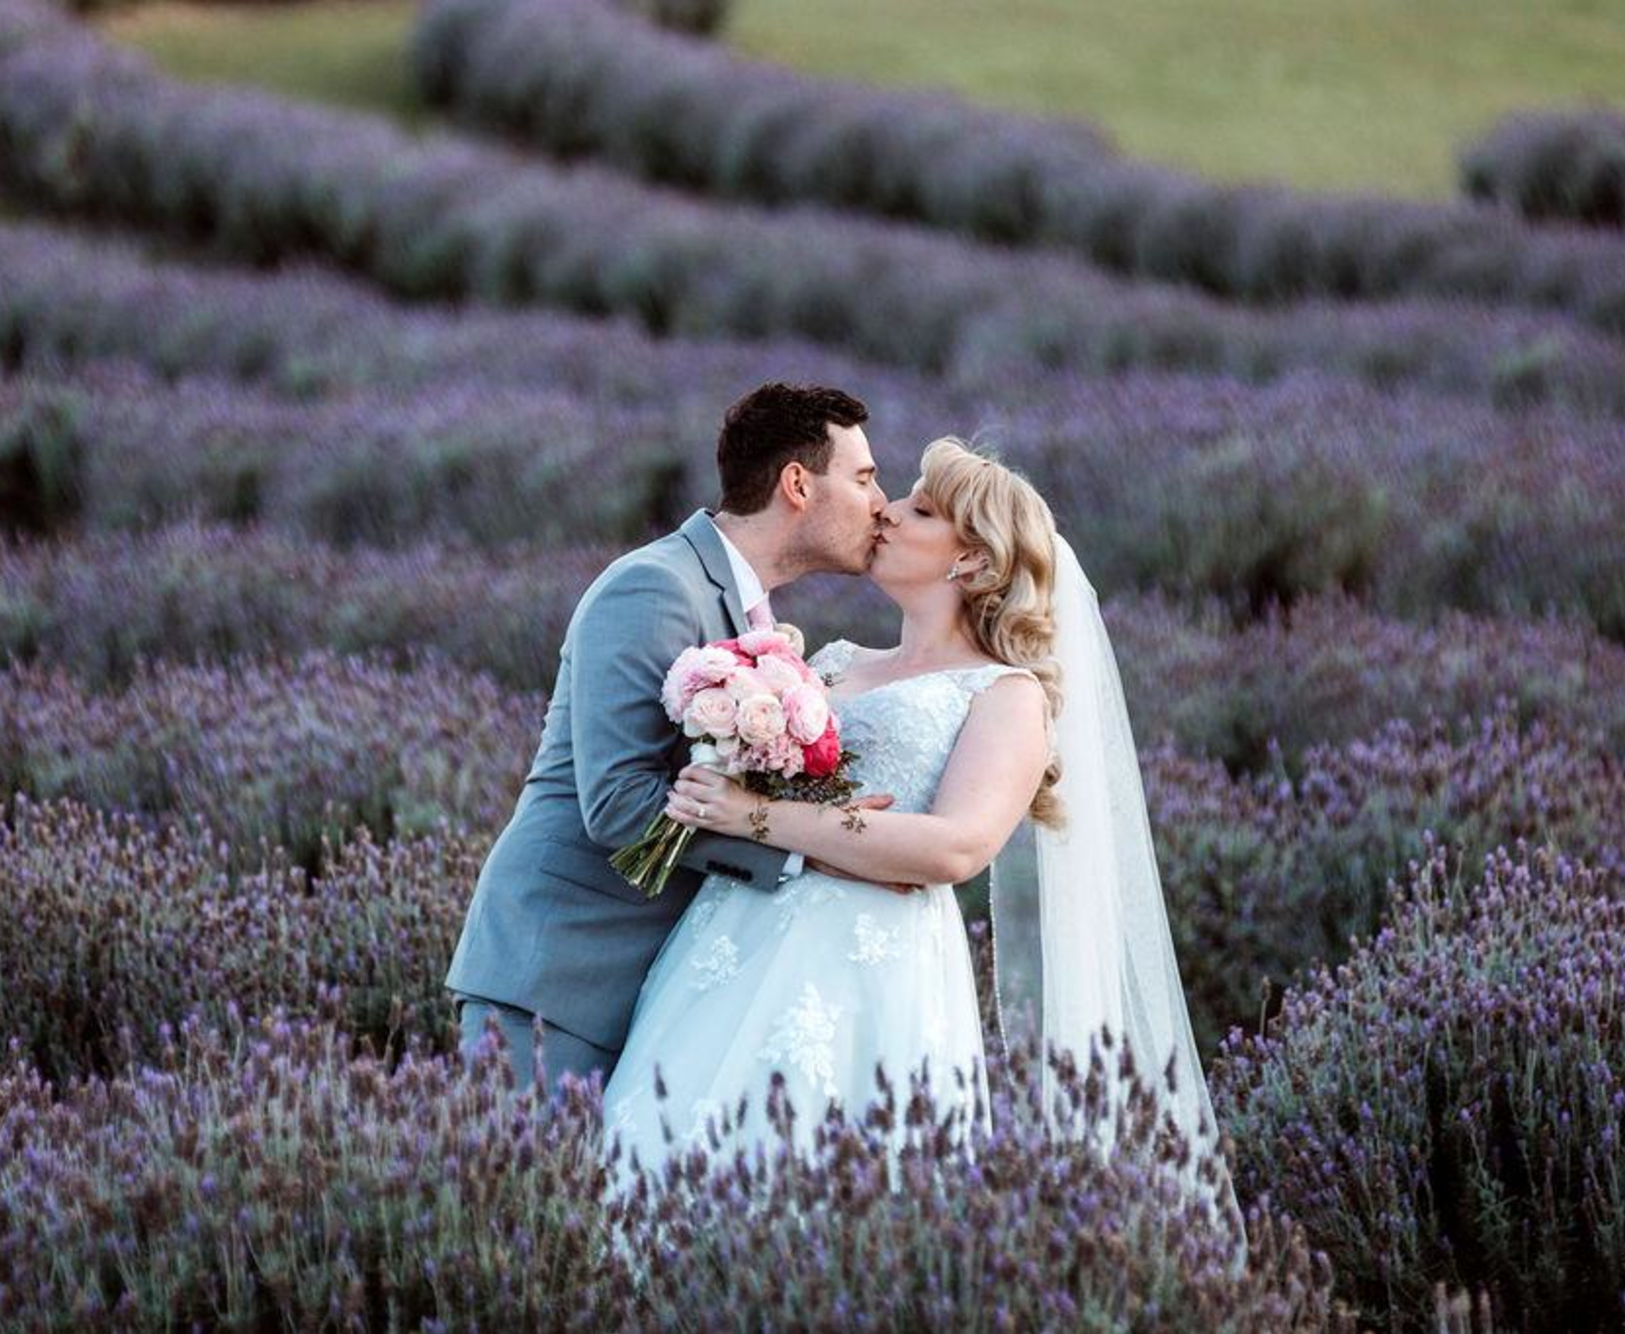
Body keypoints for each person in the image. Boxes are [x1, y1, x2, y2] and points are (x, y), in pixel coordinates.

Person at [607, 438, 1238, 1238]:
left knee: (822, 1203)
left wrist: (752, 815)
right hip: (732, 944)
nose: (886, 511)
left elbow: (953, 848)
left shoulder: (1005, 695)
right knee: (661, 1164)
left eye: (921, 510)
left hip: (871, 968)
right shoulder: (829, 663)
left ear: (970, 561)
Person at [445, 382, 889, 1095]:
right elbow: (619, 805)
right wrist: (811, 847)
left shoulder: (750, 614)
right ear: (798, 484)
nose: (881, 503)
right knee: (520, 1203)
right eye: (865, 478)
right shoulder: (655, 589)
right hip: (558, 984)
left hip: (660, 1000)